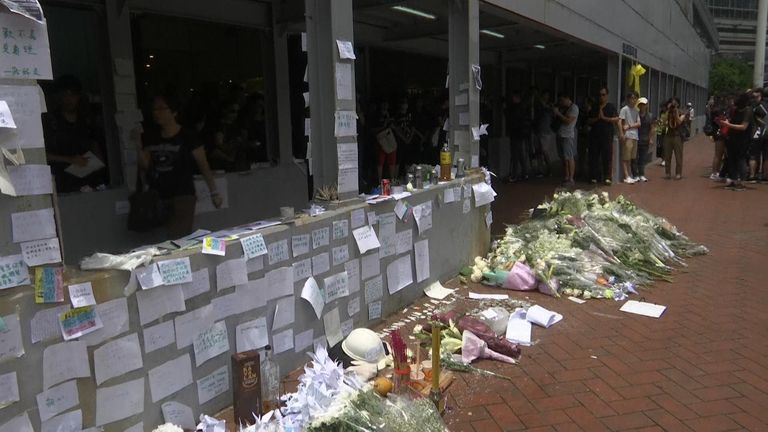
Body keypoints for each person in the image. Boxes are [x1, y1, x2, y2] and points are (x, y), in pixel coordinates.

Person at [136, 92, 222, 238]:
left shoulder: (188, 136)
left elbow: (203, 165)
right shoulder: (151, 137)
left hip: (182, 195)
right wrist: (137, 143)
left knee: (178, 237)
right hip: (158, 197)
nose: (157, 113)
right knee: (159, 239)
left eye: (162, 109)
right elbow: (145, 165)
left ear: (174, 112)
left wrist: (214, 192)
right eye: (154, 109)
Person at [43, 75, 108, 193]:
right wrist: (69, 159)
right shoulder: (51, 122)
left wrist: (98, 163)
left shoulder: (86, 122)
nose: (69, 99)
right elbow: (42, 155)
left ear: (79, 96)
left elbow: (95, 147)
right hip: (63, 185)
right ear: (59, 97)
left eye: (72, 94)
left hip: (89, 182)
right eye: (65, 95)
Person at [718, 92, 753, 190]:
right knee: (731, 159)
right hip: (732, 138)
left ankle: (741, 182)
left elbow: (743, 127)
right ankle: (733, 180)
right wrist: (725, 122)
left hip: (743, 140)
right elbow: (732, 121)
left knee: (741, 160)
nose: (734, 101)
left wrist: (728, 125)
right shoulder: (736, 110)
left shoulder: (748, 111)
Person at [588, 86, 620, 184]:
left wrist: (606, 119)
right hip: (595, 136)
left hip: (607, 136)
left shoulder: (611, 106)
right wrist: (598, 118)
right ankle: (594, 176)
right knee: (594, 157)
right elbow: (589, 120)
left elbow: (617, 118)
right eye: (600, 95)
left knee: (607, 157)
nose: (601, 97)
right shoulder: (594, 106)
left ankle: (607, 177)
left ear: (607, 95)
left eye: (603, 95)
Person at [553, 92, 579, 186]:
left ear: (567, 98)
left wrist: (558, 113)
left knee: (569, 156)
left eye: (563, 100)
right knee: (563, 157)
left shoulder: (574, 108)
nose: (561, 102)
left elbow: (568, 121)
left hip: (568, 135)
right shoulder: (562, 108)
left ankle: (571, 178)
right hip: (560, 134)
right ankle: (566, 176)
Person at [662, 98, 689, 180]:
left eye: (675, 104)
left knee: (678, 156)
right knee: (667, 156)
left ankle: (678, 173)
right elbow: (664, 122)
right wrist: (668, 110)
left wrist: (676, 112)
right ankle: (667, 173)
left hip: (678, 136)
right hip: (668, 135)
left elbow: (679, 122)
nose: (673, 106)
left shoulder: (682, 113)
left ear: (678, 104)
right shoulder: (668, 112)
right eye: (672, 104)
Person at [507, 91, 530, 182]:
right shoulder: (523, 108)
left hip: (516, 133)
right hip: (521, 134)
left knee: (515, 155)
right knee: (520, 154)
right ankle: (524, 173)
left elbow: (513, 121)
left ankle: (514, 175)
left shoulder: (516, 109)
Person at [619, 91, 641, 183]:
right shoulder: (624, 109)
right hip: (627, 136)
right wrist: (621, 133)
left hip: (635, 136)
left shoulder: (636, 110)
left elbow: (639, 123)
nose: (633, 100)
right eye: (632, 98)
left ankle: (629, 175)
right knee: (625, 157)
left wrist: (630, 126)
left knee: (631, 157)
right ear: (628, 99)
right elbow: (619, 121)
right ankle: (626, 176)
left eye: (635, 98)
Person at [632, 97, 655, 181]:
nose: (642, 106)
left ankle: (641, 174)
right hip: (636, 139)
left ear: (647, 105)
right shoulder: (635, 115)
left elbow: (652, 128)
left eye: (644, 104)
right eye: (641, 104)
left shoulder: (650, 116)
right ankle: (635, 175)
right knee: (634, 158)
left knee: (642, 158)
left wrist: (650, 138)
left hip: (645, 139)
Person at [747, 88, 767, 182]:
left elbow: (762, 117)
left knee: (755, 155)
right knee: (759, 155)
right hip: (760, 132)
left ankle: (754, 175)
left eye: (756, 96)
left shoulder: (757, 106)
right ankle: (761, 175)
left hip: (758, 132)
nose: (754, 98)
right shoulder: (755, 105)